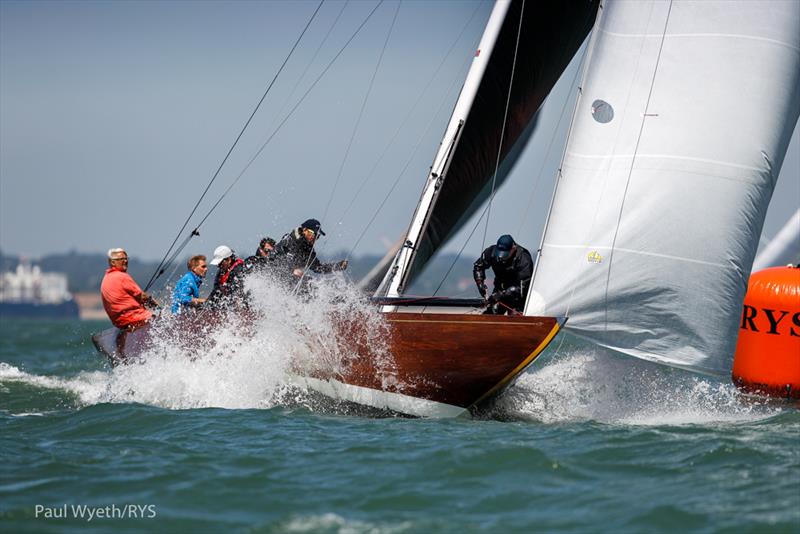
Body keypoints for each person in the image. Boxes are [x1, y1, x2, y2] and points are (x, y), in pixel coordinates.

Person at [273, 219, 347, 284]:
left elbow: (317, 267)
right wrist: (292, 270)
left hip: (288, 279)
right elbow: (279, 260)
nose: (315, 238)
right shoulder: (290, 240)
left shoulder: (307, 249)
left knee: (311, 283)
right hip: (274, 276)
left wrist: (338, 266)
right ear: (304, 230)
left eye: (318, 236)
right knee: (303, 280)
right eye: (314, 234)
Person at [473, 235, 533, 315]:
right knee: (490, 315)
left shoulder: (524, 259)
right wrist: (480, 284)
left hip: (518, 296)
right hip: (499, 290)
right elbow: (478, 266)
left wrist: (502, 294)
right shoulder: (491, 252)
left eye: (505, 254)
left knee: (515, 316)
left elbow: (523, 286)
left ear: (513, 248)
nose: (501, 257)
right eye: (499, 254)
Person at [100, 248, 159, 329]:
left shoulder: (106, 278)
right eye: (121, 259)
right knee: (161, 319)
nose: (125, 261)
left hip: (120, 323)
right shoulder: (122, 277)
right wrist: (158, 309)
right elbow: (143, 297)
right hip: (136, 319)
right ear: (112, 262)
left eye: (126, 258)